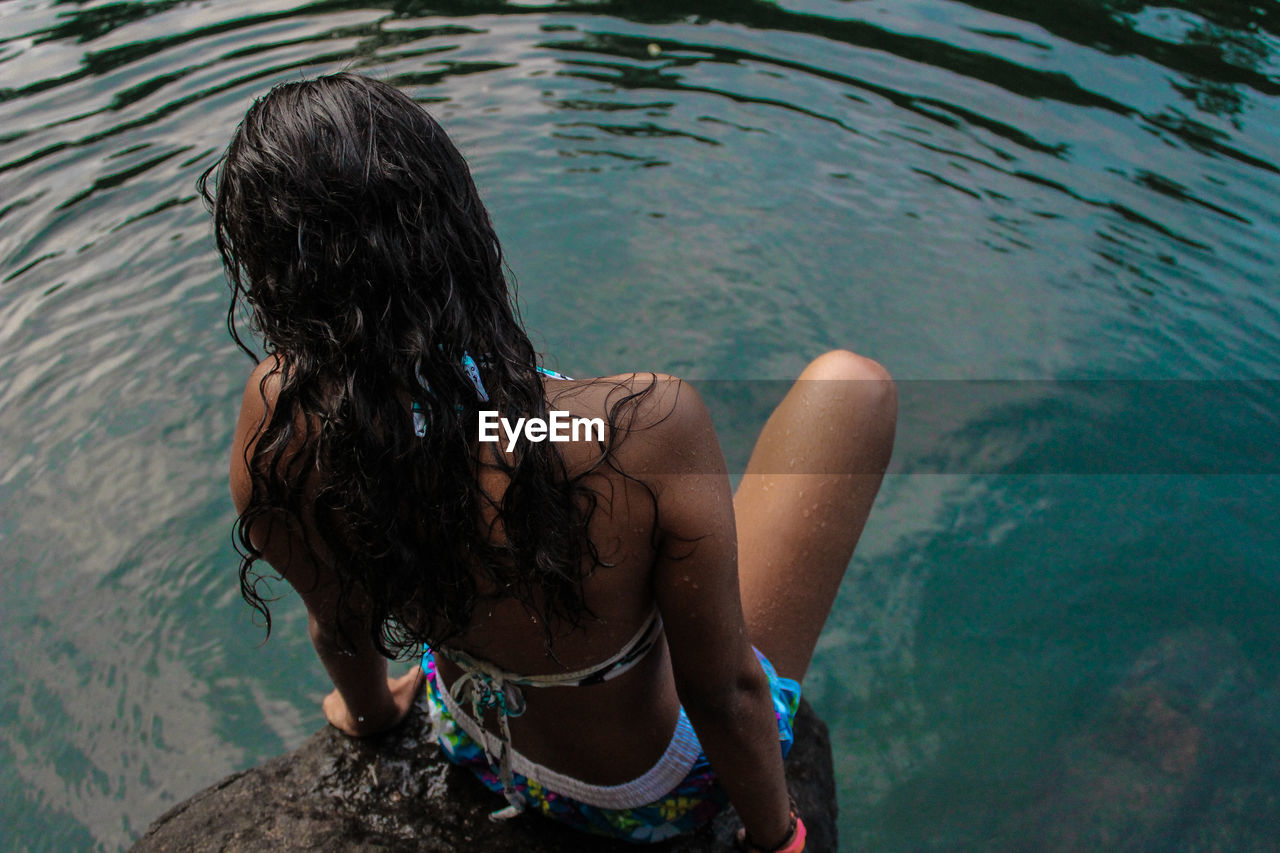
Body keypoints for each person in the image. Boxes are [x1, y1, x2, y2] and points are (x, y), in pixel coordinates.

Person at [201, 72, 896, 851]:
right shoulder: (641, 425)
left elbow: (339, 626)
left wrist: (373, 716)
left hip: (472, 741)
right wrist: (780, 836)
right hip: (652, 788)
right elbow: (723, 688)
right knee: (852, 390)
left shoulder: (278, 418)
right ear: (452, 220)